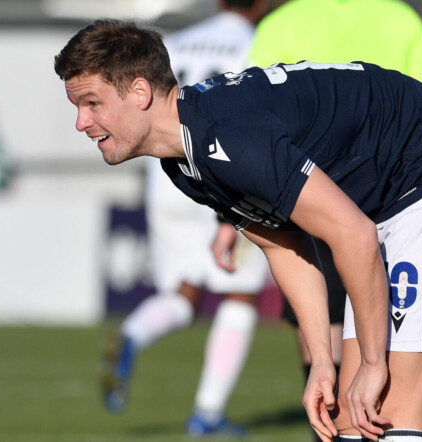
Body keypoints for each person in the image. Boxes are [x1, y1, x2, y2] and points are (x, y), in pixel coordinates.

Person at [54, 19, 422, 442]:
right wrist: (321, 361)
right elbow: (285, 245)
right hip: (396, 204)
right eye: (77, 107)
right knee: (352, 419)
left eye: (92, 103)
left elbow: (354, 235)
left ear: (139, 91)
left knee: (393, 407)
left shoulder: (227, 137)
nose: (81, 123)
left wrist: (374, 362)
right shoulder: (184, 162)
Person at [245, 2, 422, 438]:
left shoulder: (285, 21)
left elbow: (249, 118)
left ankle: (330, 426)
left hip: (308, 196)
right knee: (383, 340)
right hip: (391, 197)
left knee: (323, 329)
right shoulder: (398, 17)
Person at [99, 0, 271, 437]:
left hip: (169, 178)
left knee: (183, 294)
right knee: (239, 295)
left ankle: (133, 333)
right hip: (226, 174)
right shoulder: (260, 44)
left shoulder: (172, 44)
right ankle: (207, 413)